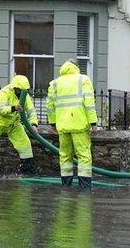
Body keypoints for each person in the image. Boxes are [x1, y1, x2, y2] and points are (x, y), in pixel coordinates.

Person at [47, 60, 98, 188]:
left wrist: (53, 124)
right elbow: (89, 103)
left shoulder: (54, 84)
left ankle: (66, 185)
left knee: (65, 156)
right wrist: (93, 122)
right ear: (76, 67)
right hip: (79, 124)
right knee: (83, 156)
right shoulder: (83, 80)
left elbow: (50, 106)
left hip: (62, 126)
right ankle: (84, 187)